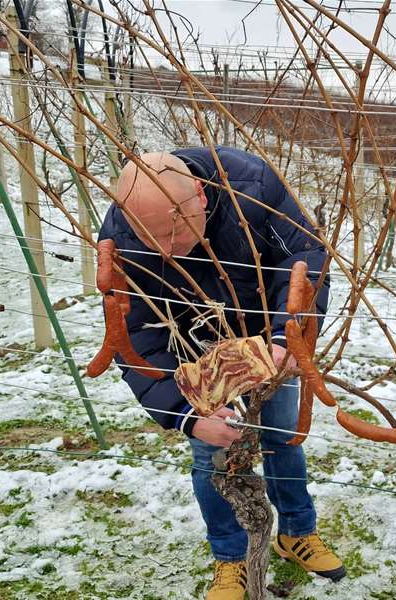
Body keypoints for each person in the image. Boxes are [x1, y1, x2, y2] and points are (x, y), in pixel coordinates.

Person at [98, 148, 345, 600]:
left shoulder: (253, 186)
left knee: (283, 434)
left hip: (267, 339)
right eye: (155, 240)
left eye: (175, 232)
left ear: (201, 196)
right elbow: (132, 335)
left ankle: (296, 532)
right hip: (193, 354)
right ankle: (230, 560)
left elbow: (305, 257)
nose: (168, 251)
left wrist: (288, 335)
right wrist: (184, 414)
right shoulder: (122, 231)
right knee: (208, 456)